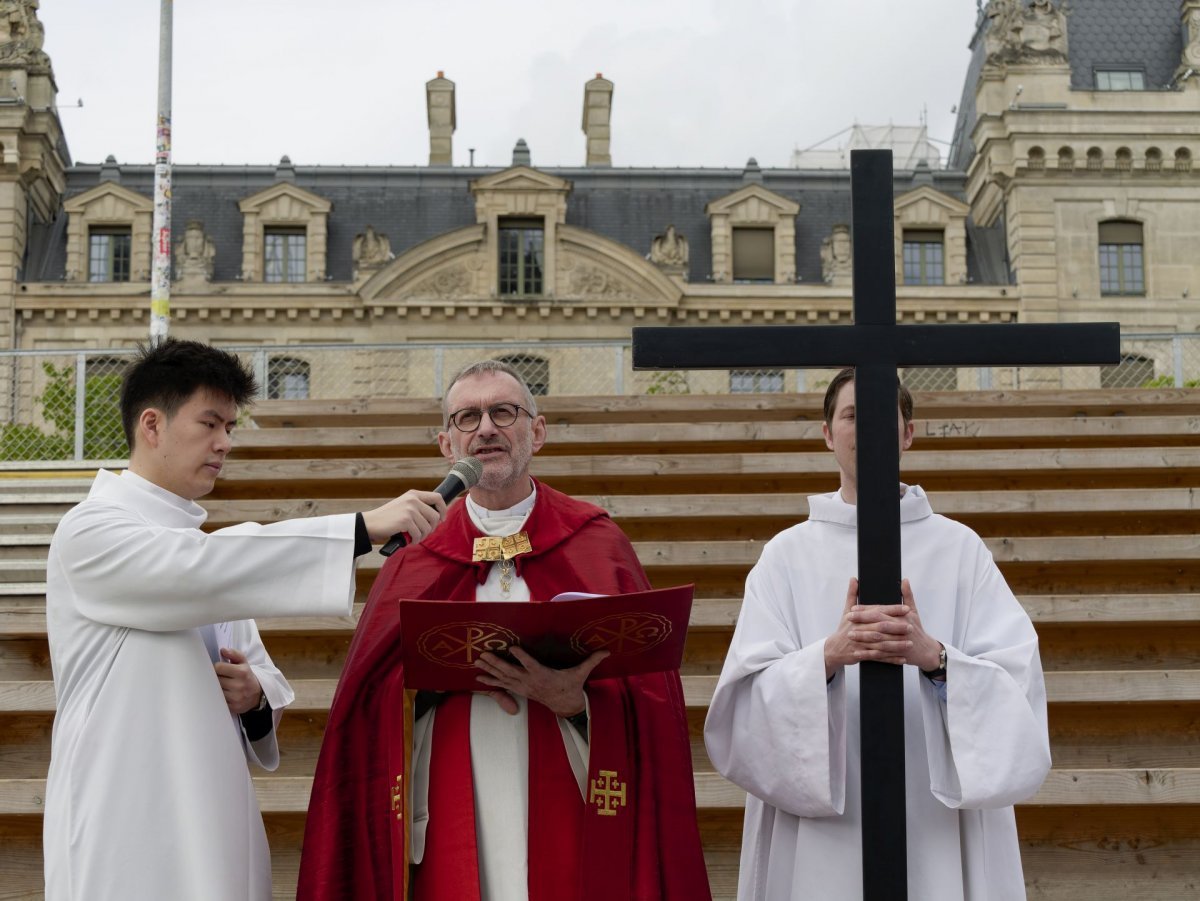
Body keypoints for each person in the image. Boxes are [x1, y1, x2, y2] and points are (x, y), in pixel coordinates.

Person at [43, 339, 447, 901]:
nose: (225, 443)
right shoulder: (90, 530)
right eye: (210, 423)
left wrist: (256, 696)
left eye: (231, 426)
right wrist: (360, 528)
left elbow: (261, 672)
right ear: (152, 425)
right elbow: (193, 571)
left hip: (211, 806)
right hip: (123, 806)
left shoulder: (205, 554)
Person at [300, 359, 711, 901]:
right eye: (467, 417)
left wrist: (576, 703)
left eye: (503, 412)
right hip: (448, 795)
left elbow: (650, 699)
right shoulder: (414, 556)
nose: (486, 428)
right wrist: (427, 684)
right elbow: (367, 700)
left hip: (571, 797)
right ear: (447, 445)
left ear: (536, 432)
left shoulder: (596, 543)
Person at [704, 367, 1051, 900]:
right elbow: (743, 706)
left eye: (881, 417)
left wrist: (934, 657)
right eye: (850, 415)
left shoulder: (960, 549)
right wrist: (827, 655)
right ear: (827, 434)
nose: (864, 428)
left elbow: (1018, 690)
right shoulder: (786, 556)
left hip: (934, 818)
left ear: (908, 433)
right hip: (821, 825)